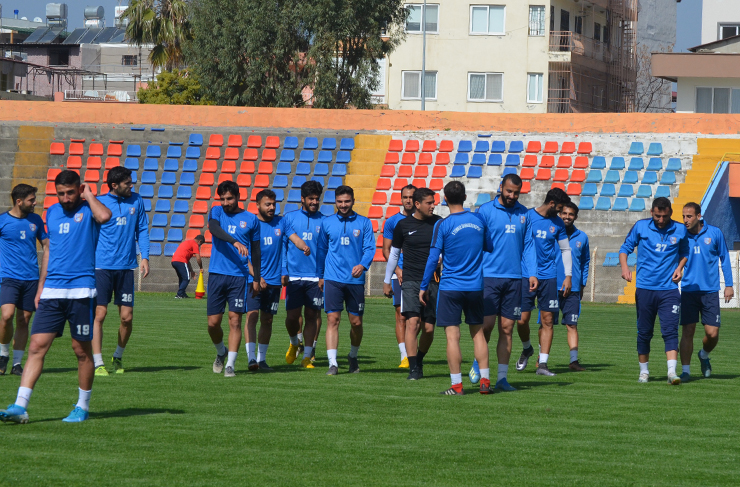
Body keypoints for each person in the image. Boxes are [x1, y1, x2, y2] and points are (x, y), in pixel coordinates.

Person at [0, 170, 111, 424]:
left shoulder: (90, 209)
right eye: (61, 193)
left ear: (79, 189)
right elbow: (50, 250)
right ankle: (20, 406)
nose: (65, 198)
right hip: (52, 291)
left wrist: (89, 196)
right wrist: (41, 286)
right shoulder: (51, 212)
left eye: (70, 192)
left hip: (81, 291)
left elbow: (105, 216)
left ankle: (82, 407)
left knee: (81, 351)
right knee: (36, 346)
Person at [420, 181, 492, 395]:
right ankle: (485, 382)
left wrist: (423, 286)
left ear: (444, 199)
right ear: (465, 197)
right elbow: (489, 246)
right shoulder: (479, 220)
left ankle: (457, 386)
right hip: (475, 286)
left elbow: (433, 258)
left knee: (452, 336)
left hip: (451, 287)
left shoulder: (442, 224)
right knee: (478, 334)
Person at [473, 174, 536, 391]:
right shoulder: (485, 211)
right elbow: (476, 242)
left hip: (514, 279)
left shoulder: (524, 213)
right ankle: (479, 363)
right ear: (501, 187)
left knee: (507, 328)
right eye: (509, 191)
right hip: (489, 276)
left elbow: (528, 245)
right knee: (487, 325)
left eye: (516, 193)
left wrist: (532, 273)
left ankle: (501, 379)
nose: (512, 196)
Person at [619, 197, 689, 385]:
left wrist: (679, 267)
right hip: (645, 289)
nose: (661, 220)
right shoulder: (641, 227)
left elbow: (685, 252)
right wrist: (625, 267)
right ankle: (644, 372)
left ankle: (672, 372)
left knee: (671, 331)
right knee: (644, 332)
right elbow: (625, 248)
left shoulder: (680, 229)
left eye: (664, 216)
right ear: (651, 212)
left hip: (669, 290)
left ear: (670, 213)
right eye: (657, 216)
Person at [92, 167, 150, 376]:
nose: (131, 186)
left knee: (127, 318)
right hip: (101, 267)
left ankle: (117, 356)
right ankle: (98, 362)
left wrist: (144, 256)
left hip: (126, 267)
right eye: (127, 183)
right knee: (100, 314)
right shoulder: (98, 203)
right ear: (114, 185)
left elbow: (142, 229)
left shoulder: (137, 200)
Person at [246, 189, 308, 371]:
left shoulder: (282, 222)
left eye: (274, 204)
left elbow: (294, 238)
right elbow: (243, 255)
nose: (272, 207)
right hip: (253, 280)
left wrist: (303, 246)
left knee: (267, 320)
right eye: (268, 204)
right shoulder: (251, 224)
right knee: (252, 317)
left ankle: (261, 360)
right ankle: (251, 358)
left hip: (273, 282)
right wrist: (256, 276)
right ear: (258, 205)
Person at [383, 187, 441, 380]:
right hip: (410, 280)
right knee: (412, 323)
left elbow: (445, 249)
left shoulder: (439, 223)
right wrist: (387, 280)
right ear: (418, 204)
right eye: (429, 203)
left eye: (433, 202)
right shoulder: (403, 225)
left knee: (429, 329)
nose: (433, 206)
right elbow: (394, 254)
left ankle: (419, 359)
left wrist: (441, 258)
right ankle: (413, 367)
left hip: (432, 281)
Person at [316, 185, 374, 375]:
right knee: (333, 319)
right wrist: (321, 275)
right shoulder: (327, 223)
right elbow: (321, 251)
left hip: (355, 281)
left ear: (353, 201)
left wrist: (362, 265)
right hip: (332, 278)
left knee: (356, 323)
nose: (343, 205)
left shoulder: (364, 223)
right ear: (335, 202)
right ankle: (333, 363)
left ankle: (353, 355)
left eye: (347, 201)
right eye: (340, 202)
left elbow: (369, 248)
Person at [515, 188, 573, 377]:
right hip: (526, 274)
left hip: (548, 276)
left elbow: (565, 249)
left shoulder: (558, 223)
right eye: (560, 208)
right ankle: (527, 348)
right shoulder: (527, 216)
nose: (561, 213)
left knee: (548, 320)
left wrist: (568, 275)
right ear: (551, 204)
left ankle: (543, 364)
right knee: (521, 320)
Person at [207, 181, 261, 378]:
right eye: (222, 199)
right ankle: (221, 351)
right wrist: (234, 241)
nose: (225, 202)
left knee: (235, 320)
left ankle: (230, 365)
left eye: (229, 198)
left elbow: (256, 251)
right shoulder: (216, 211)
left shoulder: (251, 219)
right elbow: (213, 229)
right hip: (217, 274)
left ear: (238, 197)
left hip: (239, 277)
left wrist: (257, 278)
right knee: (213, 324)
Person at [678, 202, 734, 380]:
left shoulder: (715, 233)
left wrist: (729, 285)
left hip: (710, 291)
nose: (685, 220)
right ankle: (685, 371)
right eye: (683, 216)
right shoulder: (681, 235)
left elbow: (725, 258)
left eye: (689, 216)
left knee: (712, 334)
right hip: (689, 290)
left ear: (699, 216)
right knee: (688, 331)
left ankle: (703, 355)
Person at [0, 184, 48, 376]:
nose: (35, 203)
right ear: (19, 201)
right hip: (8, 277)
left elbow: (46, 244)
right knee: (7, 316)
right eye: (31, 200)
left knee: (24, 320)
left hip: (31, 278)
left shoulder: (36, 220)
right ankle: (3, 354)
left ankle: (17, 364)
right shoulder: (3, 221)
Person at [282, 181, 325, 368]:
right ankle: (294, 342)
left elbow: (326, 251)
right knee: (292, 317)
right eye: (311, 199)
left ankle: (307, 356)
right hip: (293, 276)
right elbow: (283, 247)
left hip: (315, 277)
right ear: (302, 199)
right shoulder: (289, 218)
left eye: (317, 199)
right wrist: (283, 270)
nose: (314, 202)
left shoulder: (324, 221)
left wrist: (323, 275)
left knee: (312, 315)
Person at [551, 202, 590, 371]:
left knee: (572, 325)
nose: (567, 217)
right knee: (546, 324)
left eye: (571, 214)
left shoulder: (582, 237)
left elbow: (585, 262)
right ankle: (541, 358)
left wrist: (582, 284)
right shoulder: (551, 233)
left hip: (573, 288)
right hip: (551, 286)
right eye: (564, 213)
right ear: (559, 214)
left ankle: (574, 361)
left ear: (576, 216)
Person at [382, 185, 416, 369]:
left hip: (418, 274)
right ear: (401, 199)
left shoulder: (424, 221)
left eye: (411, 197)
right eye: (405, 197)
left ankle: (413, 351)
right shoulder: (392, 222)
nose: (408, 200)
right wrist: (396, 270)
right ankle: (404, 355)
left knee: (418, 319)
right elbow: (386, 250)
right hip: (399, 275)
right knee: (401, 315)